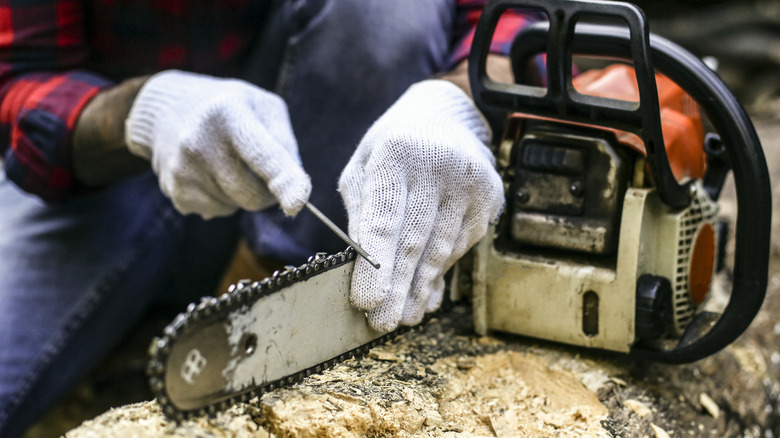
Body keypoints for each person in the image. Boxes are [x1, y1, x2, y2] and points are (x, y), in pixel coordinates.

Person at [0, 1, 539, 436]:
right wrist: (141, 110)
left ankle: (288, 286)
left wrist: (459, 102)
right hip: (113, 167)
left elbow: (515, 21)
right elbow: (17, 78)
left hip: (326, 151)